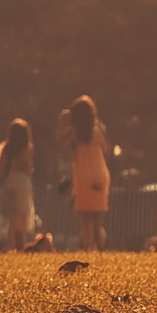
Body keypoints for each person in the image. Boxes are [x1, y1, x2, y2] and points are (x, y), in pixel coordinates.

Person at [57, 95, 110, 252]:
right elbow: (106, 149)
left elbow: (59, 140)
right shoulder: (98, 130)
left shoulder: (74, 133)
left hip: (83, 176)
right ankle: (100, 251)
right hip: (100, 173)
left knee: (86, 219)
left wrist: (62, 121)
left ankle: (87, 250)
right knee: (97, 219)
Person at [0, 118, 36, 252]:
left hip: (9, 183)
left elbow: (0, 169)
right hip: (22, 184)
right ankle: (21, 249)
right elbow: (28, 168)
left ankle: (12, 250)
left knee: (12, 222)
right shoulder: (27, 149)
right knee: (22, 224)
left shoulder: (4, 149)